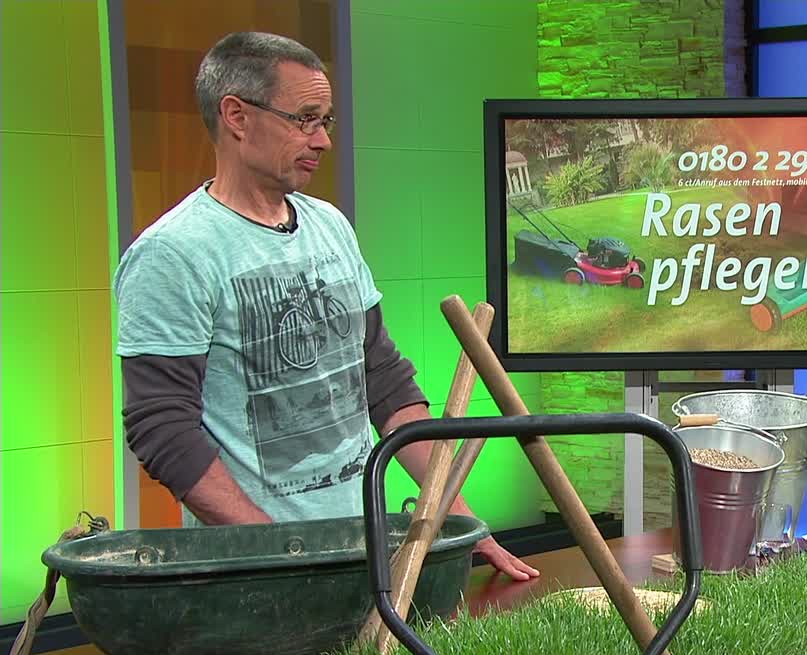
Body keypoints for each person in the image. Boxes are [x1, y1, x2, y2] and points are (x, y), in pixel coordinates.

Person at [113, 31, 538, 582]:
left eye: (326, 121)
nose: (323, 141)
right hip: (257, 575)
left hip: (365, 554)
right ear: (237, 116)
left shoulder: (330, 226)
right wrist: (284, 556)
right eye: (305, 120)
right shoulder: (172, 254)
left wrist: (460, 520)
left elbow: (386, 386)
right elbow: (162, 428)